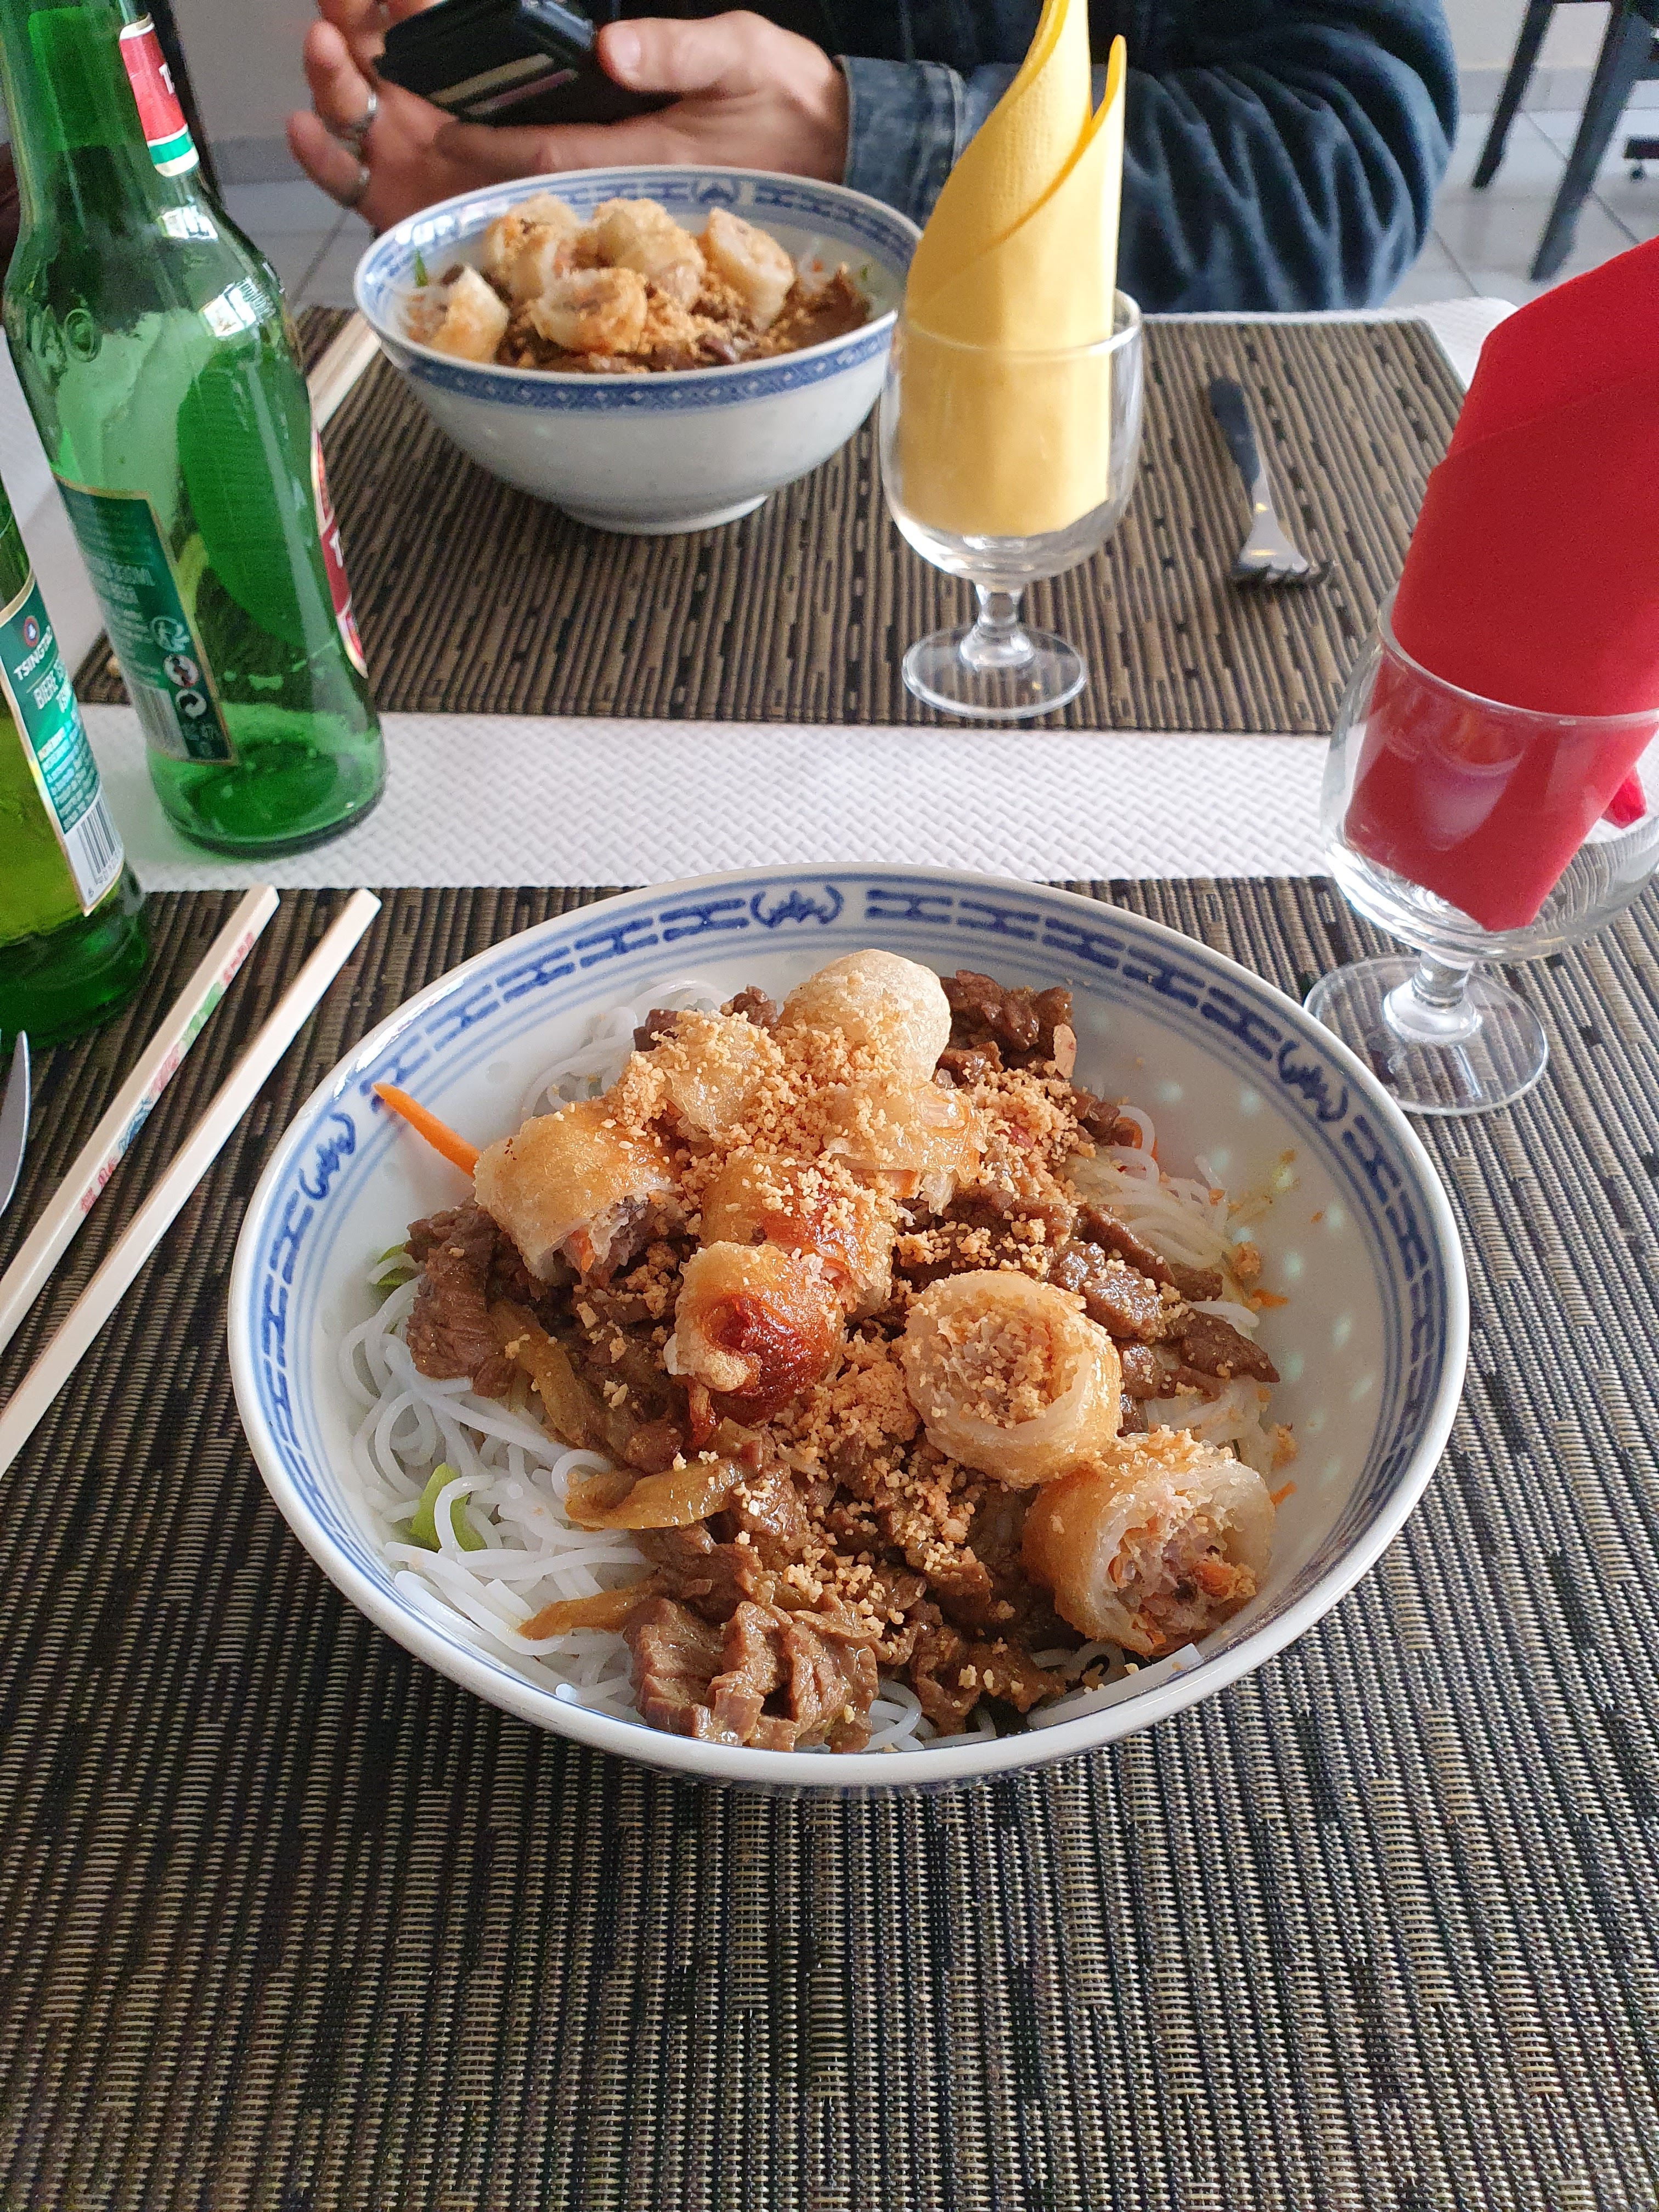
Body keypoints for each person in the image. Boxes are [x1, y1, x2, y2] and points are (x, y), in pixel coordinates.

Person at [288, 1, 1456, 312]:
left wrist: (858, 140)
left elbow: (1343, 174)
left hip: (1102, 462)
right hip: (629, 470)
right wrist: (528, 165)